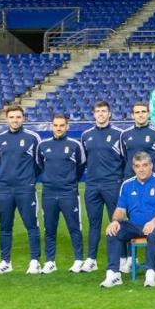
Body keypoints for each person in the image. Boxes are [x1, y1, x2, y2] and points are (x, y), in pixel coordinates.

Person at [99, 152, 155, 288]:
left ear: (151, 166)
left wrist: (153, 222)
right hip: (134, 225)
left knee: (154, 233)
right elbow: (120, 210)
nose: (141, 169)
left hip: (154, 224)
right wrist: (115, 221)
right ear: (133, 167)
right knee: (113, 231)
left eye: (144, 165)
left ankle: (150, 273)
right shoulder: (127, 185)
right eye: (137, 166)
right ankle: (113, 274)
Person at [0, 105, 42, 276]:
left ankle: (35, 261)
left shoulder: (33, 138)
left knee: (31, 225)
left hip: (25, 189)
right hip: (4, 189)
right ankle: (5, 262)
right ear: (7, 119)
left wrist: (27, 179)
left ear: (23, 118)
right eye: (12, 117)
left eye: (18, 117)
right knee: (5, 226)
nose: (15, 120)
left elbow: (39, 163)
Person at [36, 113, 85, 274]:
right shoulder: (43, 145)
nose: (58, 128)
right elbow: (39, 165)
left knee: (74, 228)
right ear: (51, 126)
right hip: (48, 193)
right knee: (49, 229)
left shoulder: (75, 145)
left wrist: (69, 181)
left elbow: (80, 166)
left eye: (62, 125)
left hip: (68, 193)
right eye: (56, 125)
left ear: (67, 126)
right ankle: (50, 262)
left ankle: (78, 260)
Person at [80, 100, 125, 274]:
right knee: (94, 223)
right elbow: (83, 161)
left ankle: (123, 258)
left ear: (110, 114)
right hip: (92, 185)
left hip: (112, 184)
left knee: (117, 222)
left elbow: (125, 159)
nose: (100, 114)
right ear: (93, 114)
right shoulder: (86, 135)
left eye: (104, 111)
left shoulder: (118, 135)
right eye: (97, 111)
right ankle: (91, 259)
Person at [122, 102, 155, 178]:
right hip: (131, 180)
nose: (140, 115)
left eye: (143, 112)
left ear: (148, 114)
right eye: (137, 112)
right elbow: (124, 159)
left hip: (153, 180)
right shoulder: (124, 135)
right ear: (132, 115)